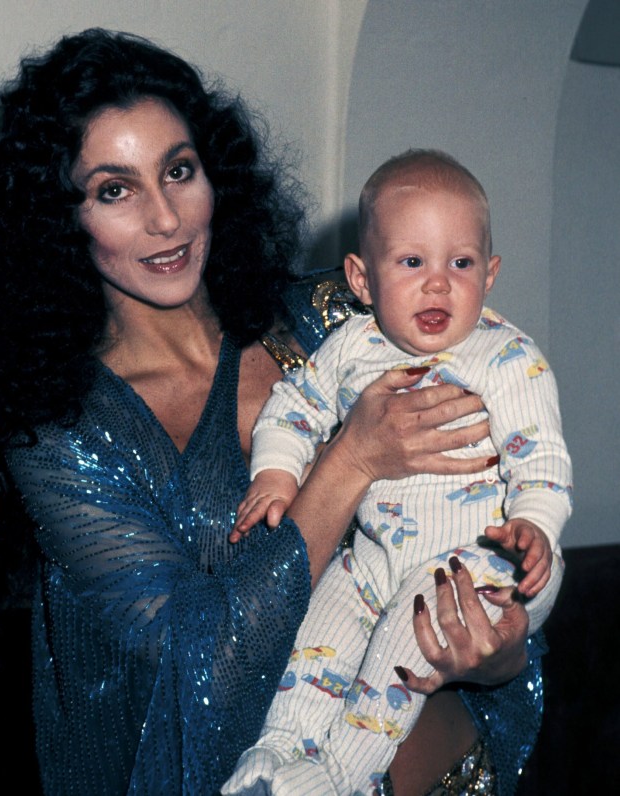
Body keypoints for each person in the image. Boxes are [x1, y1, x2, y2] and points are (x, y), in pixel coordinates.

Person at [0, 29, 537, 796]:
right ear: (58, 217)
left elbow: (485, 510)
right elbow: (199, 666)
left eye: (179, 171)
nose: (166, 219)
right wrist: (350, 463)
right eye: (115, 189)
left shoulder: (341, 316)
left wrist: (502, 653)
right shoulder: (62, 434)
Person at [224, 150, 572, 795]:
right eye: (413, 262)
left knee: (397, 657)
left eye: (460, 263)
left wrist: (534, 526)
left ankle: (337, 776)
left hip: (484, 561)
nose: (438, 284)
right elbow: (292, 408)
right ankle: (275, 754)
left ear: (490, 274)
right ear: (361, 278)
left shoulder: (505, 356)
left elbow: (543, 459)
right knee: (317, 634)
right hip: (377, 553)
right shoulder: (351, 347)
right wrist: (276, 474)